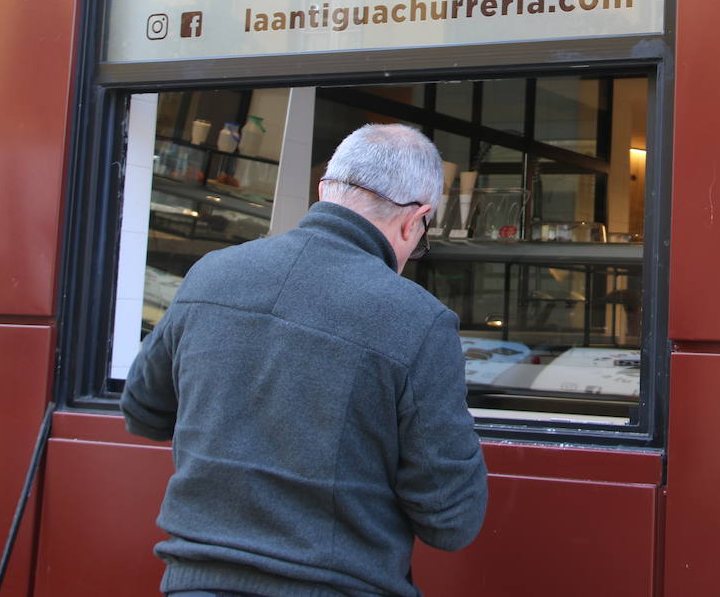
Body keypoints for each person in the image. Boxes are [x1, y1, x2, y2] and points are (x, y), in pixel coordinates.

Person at [121, 123, 488, 597]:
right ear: (414, 219)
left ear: (324, 190)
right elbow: (452, 520)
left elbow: (142, 413)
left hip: (193, 583)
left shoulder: (211, 275)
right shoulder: (419, 320)